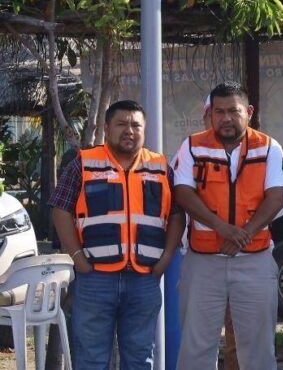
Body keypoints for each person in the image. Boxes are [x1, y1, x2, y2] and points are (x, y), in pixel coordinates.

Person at [50, 100, 185, 369]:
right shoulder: (84, 163)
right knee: (90, 358)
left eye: (136, 125)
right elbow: (60, 209)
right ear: (107, 127)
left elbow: (177, 214)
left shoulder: (160, 167)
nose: (129, 130)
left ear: (144, 130)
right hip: (95, 278)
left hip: (144, 280)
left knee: (139, 358)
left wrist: (167, 257)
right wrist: (77, 257)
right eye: (122, 124)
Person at [174, 82, 283, 370]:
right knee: (196, 346)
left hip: (255, 259)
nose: (226, 118)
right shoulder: (191, 146)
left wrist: (243, 235)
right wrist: (222, 228)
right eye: (219, 111)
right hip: (203, 261)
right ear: (210, 114)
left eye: (233, 111)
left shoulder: (269, 147)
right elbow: (183, 193)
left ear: (248, 112)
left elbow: (276, 196)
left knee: (259, 347)